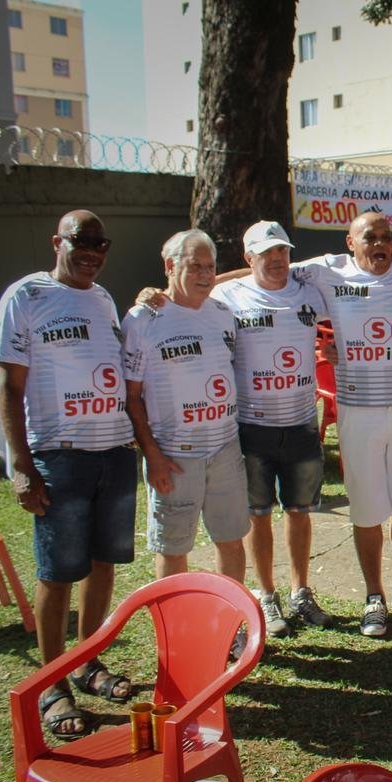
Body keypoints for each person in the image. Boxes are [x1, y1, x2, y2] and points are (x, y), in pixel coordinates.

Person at [0, 210, 137, 740]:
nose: (93, 251)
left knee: (103, 566)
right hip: (61, 456)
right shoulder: (25, 297)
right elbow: (10, 389)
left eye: (101, 243)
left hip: (114, 453)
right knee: (57, 573)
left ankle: (86, 661)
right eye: (83, 241)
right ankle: (52, 684)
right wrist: (23, 468)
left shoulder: (102, 299)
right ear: (58, 241)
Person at [289, 212, 392, 635]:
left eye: (387, 237)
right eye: (370, 237)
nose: (380, 244)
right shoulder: (327, 270)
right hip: (358, 411)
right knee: (367, 508)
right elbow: (264, 273)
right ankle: (374, 596)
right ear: (349, 242)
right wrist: (172, 292)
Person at [209, 221, 333, 637]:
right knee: (257, 516)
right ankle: (267, 595)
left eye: (282, 251)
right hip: (251, 428)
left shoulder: (308, 292)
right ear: (249, 259)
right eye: (266, 254)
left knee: (300, 512)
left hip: (300, 423)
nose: (277, 260)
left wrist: (329, 348)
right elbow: (187, 293)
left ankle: (301, 590)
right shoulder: (226, 296)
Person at [122, 229, 249, 586]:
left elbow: (250, 272)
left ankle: (233, 624)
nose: (206, 275)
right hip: (174, 456)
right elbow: (131, 397)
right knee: (173, 548)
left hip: (225, 449)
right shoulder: (142, 319)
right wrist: (153, 455)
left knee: (232, 540)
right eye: (195, 267)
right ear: (169, 265)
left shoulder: (223, 313)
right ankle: (175, 631)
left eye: (210, 267)